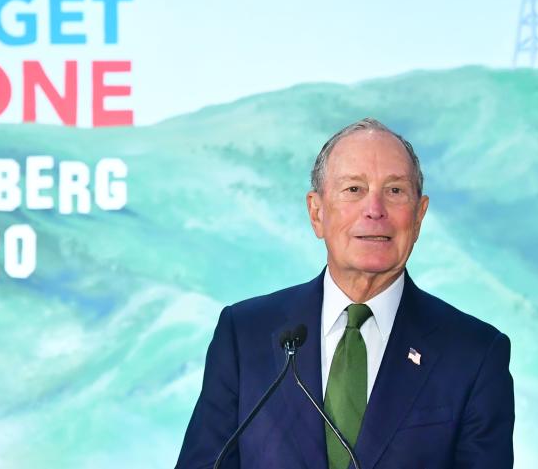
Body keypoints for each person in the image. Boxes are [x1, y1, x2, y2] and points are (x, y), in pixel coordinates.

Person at [175, 118, 514, 469]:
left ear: (419, 216)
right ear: (316, 212)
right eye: (354, 189)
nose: (375, 210)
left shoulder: (474, 354)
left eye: (395, 191)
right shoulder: (246, 335)